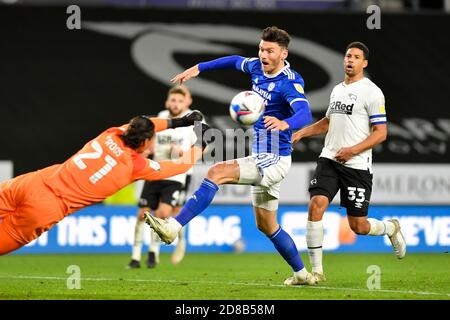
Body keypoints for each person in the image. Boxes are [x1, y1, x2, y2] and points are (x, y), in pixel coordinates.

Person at [145, 26, 317, 286]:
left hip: (275, 157)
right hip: (261, 154)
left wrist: (287, 124)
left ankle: (173, 227)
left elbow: (305, 113)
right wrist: (199, 68)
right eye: (261, 49)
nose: (263, 54)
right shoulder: (257, 67)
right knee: (267, 225)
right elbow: (234, 61)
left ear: (283, 53)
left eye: (270, 50)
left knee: (216, 172)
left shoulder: (290, 82)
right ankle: (302, 274)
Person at [0, 111, 210, 255]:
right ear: (146, 143)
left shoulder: (111, 134)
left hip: (32, 182)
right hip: (46, 208)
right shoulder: (134, 166)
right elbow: (181, 166)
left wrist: (179, 122)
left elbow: (142, 124)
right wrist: (202, 142)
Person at [292, 41, 406, 282]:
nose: (349, 60)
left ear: (364, 63)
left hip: (356, 165)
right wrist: (300, 133)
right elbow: (327, 123)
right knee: (316, 204)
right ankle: (317, 272)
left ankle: (391, 228)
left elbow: (381, 133)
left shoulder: (372, 92)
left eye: (355, 57)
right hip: (330, 159)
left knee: (359, 226)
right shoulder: (337, 90)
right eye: (347, 56)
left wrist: (353, 150)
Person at [127, 86, 197, 268]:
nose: (176, 104)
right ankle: (136, 257)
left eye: (180, 100)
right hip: (156, 170)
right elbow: (152, 143)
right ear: (167, 102)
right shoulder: (162, 116)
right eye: (173, 100)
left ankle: (165, 247)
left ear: (187, 101)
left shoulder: (193, 119)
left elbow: (201, 148)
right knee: (144, 215)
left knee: (169, 213)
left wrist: (183, 154)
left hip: (180, 174)